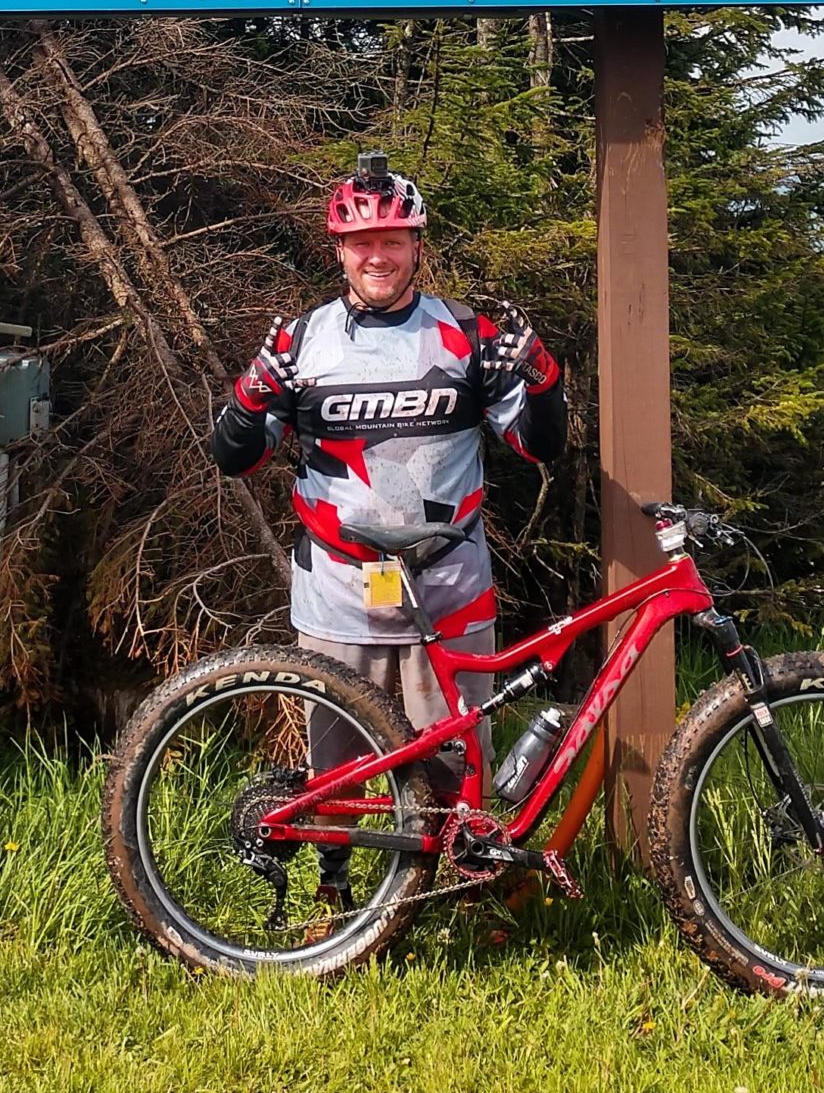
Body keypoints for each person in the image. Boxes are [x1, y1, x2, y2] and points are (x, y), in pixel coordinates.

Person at [208, 153, 567, 913]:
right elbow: (234, 455)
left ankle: (449, 905)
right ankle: (334, 907)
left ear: (416, 245)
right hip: (338, 590)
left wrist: (542, 373)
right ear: (338, 249)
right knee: (336, 765)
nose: (378, 254)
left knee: (452, 765)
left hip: (450, 589)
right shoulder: (302, 342)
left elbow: (541, 446)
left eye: (394, 239)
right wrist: (252, 391)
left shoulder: (468, 334)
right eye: (362, 241)